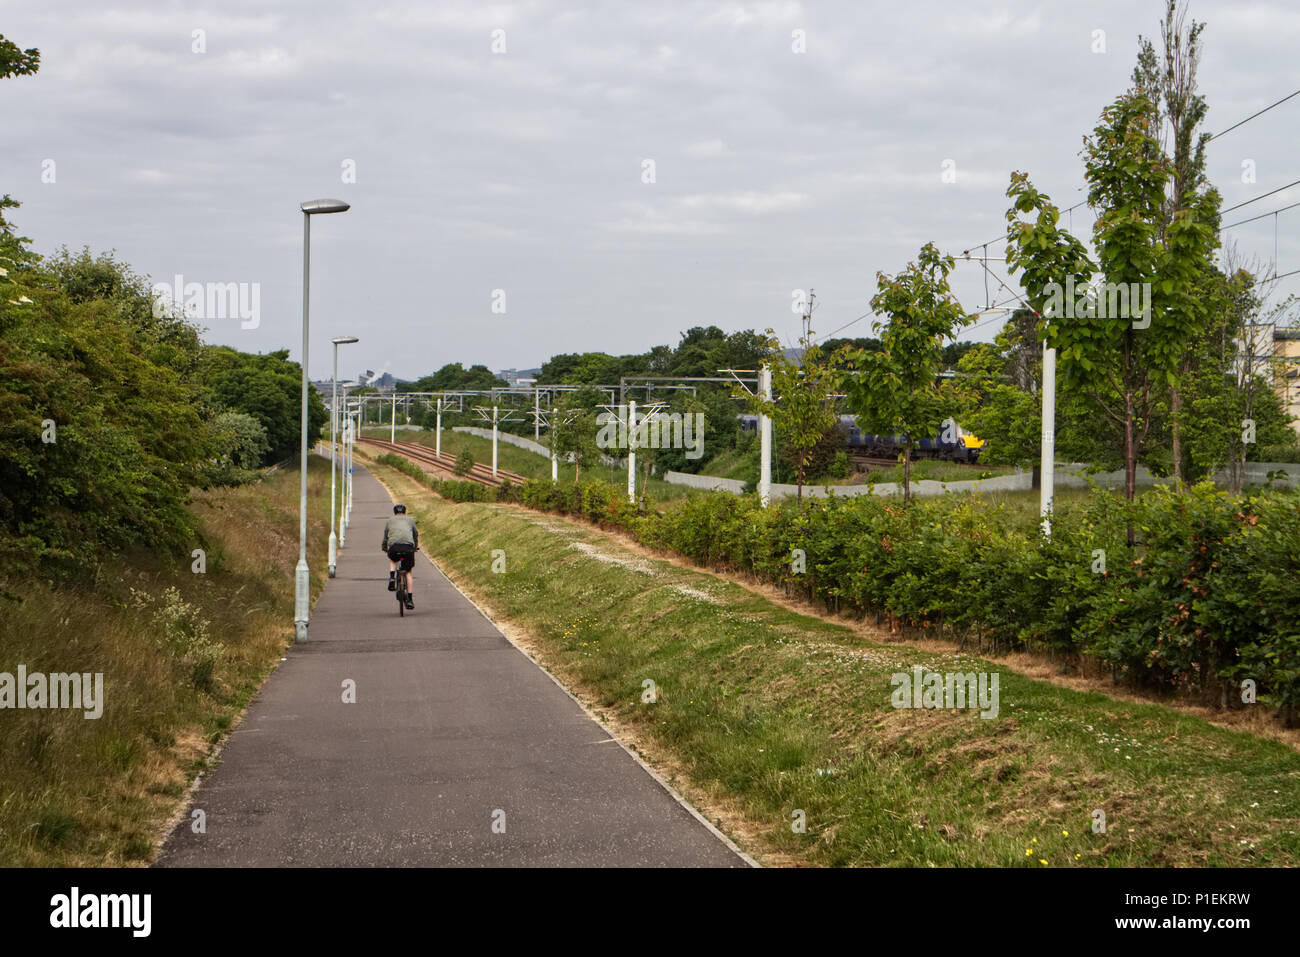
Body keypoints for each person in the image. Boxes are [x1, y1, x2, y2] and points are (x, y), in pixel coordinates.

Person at [381, 504, 418, 609]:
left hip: (394, 547)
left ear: (394, 512)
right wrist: (415, 547)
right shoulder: (410, 520)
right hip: (408, 548)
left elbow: (385, 536)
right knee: (408, 572)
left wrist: (384, 547)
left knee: (393, 559)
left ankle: (392, 578)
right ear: (405, 512)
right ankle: (410, 599)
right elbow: (415, 534)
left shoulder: (390, 520)